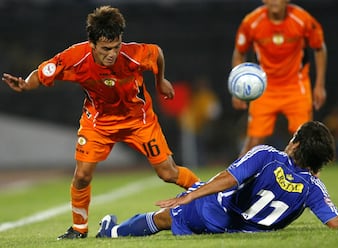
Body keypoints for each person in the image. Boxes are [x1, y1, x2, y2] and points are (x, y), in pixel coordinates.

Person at [1, 6, 200, 239]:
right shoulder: (75, 58)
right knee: (82, 175)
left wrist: (160, 81)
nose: (112, 54)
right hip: (98, 123)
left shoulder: (133, 53)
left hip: (138, 120)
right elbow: (43, 72)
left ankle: (211, 195)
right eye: (106, 48)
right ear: (92, 44)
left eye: (116, 47)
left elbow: (157, 54)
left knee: (168, 173)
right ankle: (79, 229)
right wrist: (25, 84)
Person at [95, 121, 338, 238]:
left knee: (166, 216)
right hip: (248, 231)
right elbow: (336, 221)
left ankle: (112, 232)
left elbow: (229, 178)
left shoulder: (267, 155)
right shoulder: (313, 188)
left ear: (295, 143)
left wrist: (192, 194)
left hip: (215, 214)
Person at [231, 0, 327, 156]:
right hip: (264, 89)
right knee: (253, 143)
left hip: (296, 87)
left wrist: (320, 85)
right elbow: (239, 53)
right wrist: (238, 89)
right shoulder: (252, 22)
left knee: (305, 142)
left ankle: (308, 180)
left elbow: (319, 47)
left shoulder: (302, 19)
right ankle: (240, 180)